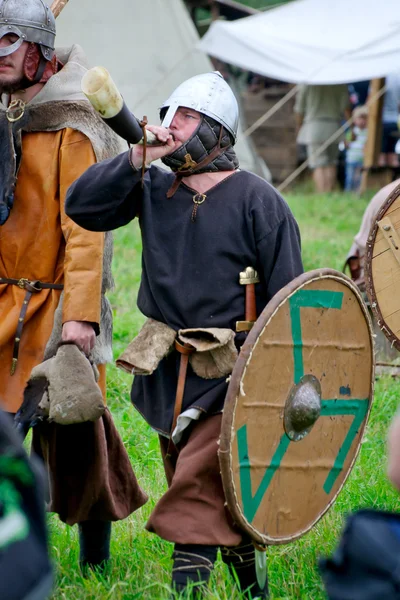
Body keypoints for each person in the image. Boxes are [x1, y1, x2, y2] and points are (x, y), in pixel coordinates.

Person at [65, 71, 303, 597]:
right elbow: (81, 206)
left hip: (233, 374)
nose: (171, 126)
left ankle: (187, 589)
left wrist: (276, 382)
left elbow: (291, 302)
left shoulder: (259, 201)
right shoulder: (152, 186)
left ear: (216, 130)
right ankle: (252, 585)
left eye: (187, 116)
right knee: (212, 489)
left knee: (195, 495)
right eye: (169, 114)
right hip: (167, 373)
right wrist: (134, 159)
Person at [0, 0, 147, 573]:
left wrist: (80, 319)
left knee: (78, 438)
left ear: (38, 51)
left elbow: (85, 231)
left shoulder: (75, 123)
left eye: (8, 44)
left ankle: (95, 561)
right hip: (7, 302)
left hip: (59, 305)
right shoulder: (5, 115)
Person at [294, 84, 351, 193]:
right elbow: (346, 107)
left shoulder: (306, 83)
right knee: (331, 162)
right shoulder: (339, 83)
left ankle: (321, 193)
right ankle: (329, 193)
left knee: (318, 164)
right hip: (334, 126)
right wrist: (351, 128)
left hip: (313, 127)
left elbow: (299, 110)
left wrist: (299, 126)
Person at [378, 71, 400, 168]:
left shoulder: (380, 76)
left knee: (382, 155)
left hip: (383, 121)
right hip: (396, 121)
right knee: (393, 157)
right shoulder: (397, 77)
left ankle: (383, 180)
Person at [344, 105, 368, 192]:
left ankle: (359, 192)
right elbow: (346, 144)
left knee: (360, 179)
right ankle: (348, 192)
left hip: (362, 159)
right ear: (354, 120)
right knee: (350, 178)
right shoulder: (351, 131)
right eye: (360, 118)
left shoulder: (368, 132)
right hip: (351, 159)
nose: (362, 121)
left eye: (365, 118)